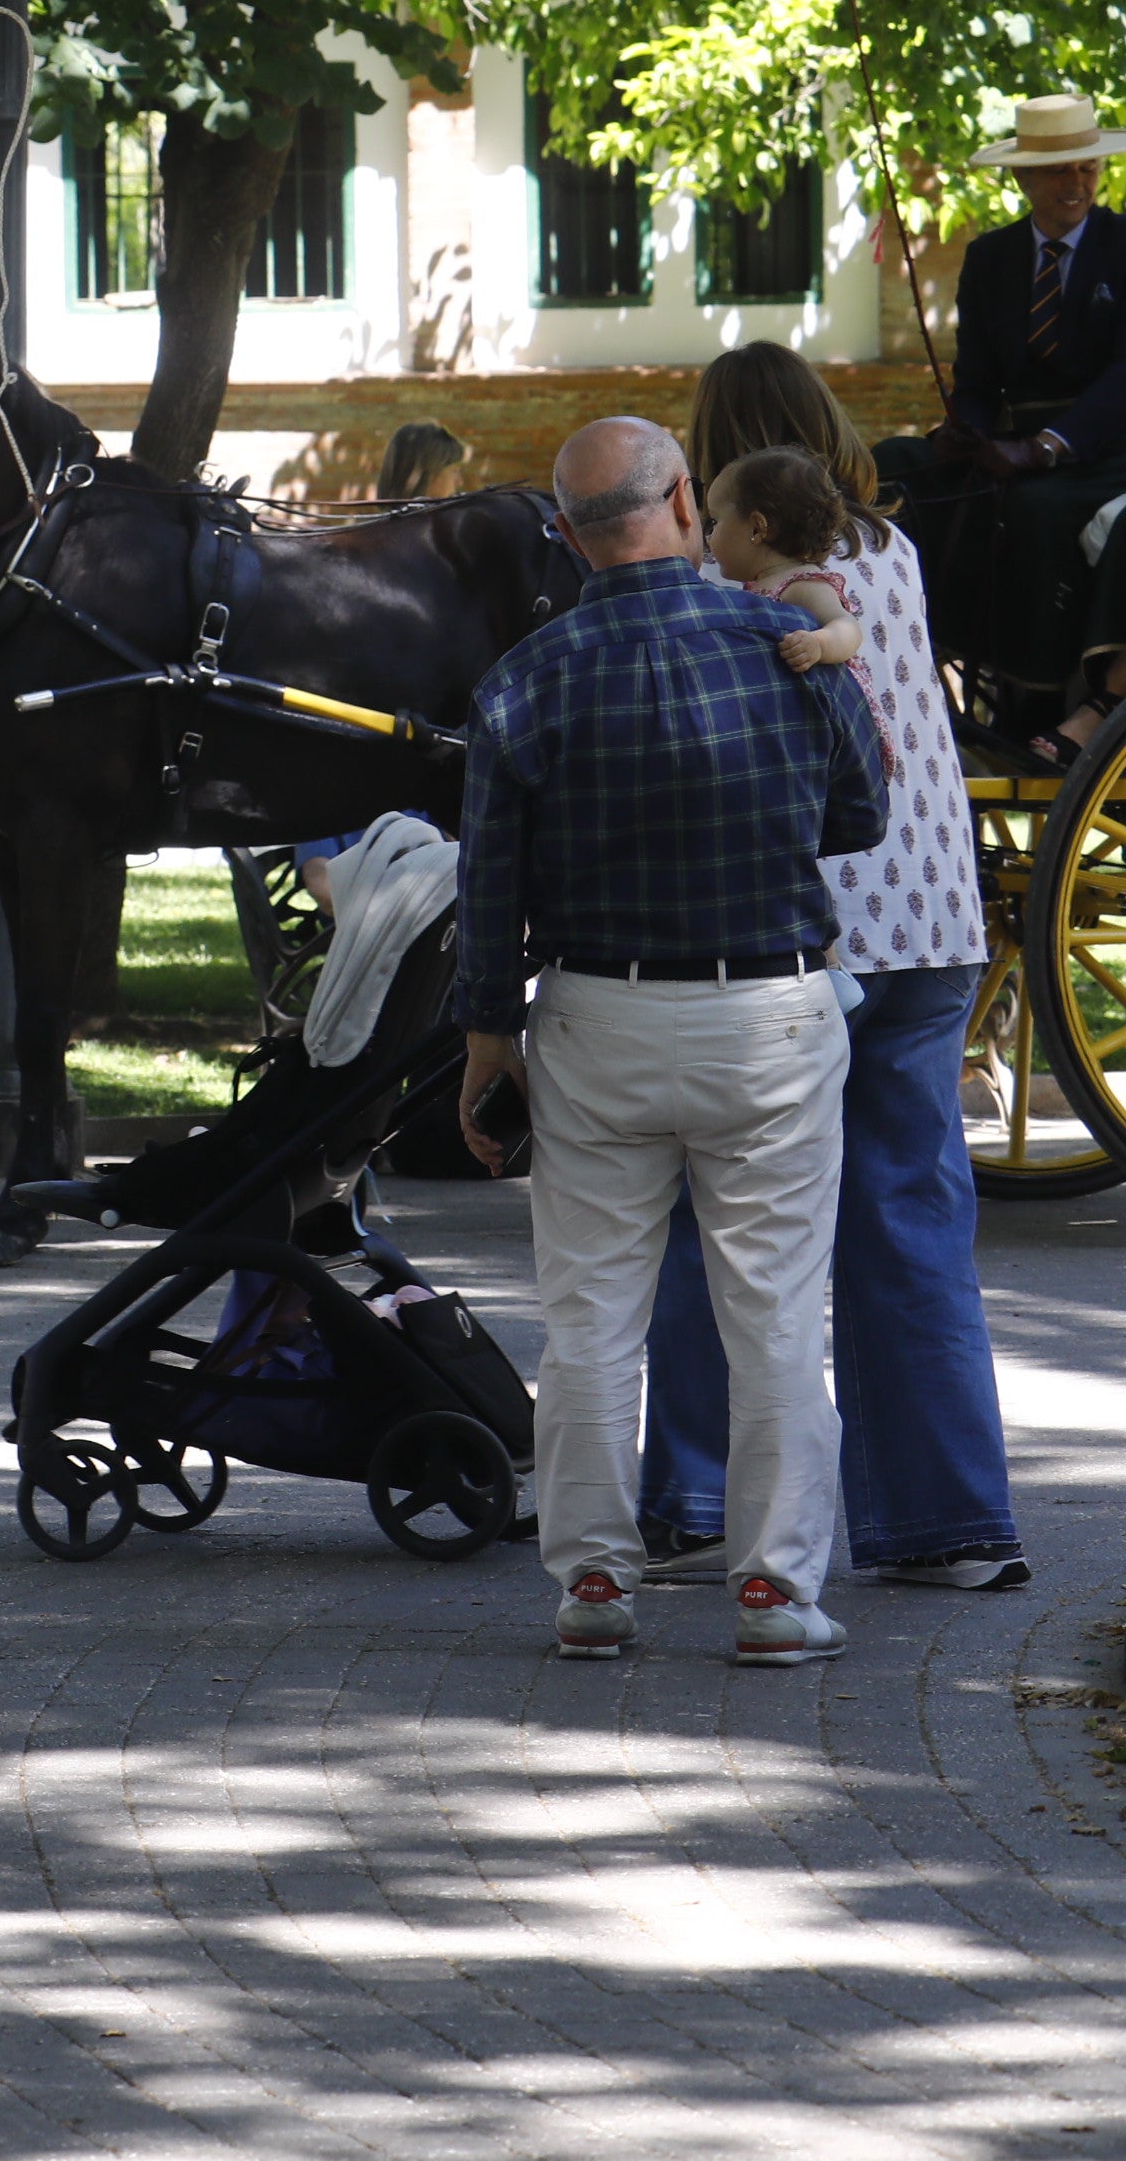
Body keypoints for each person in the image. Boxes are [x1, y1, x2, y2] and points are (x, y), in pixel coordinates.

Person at [455, 413, 884, 1667]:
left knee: (589, 1312)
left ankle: (593, 1580)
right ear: (688, 503)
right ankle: (773, 1593)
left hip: (599, 1012)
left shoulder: (526, 676)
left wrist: (490, 1039)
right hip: (770, 1011)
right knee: (775, 1316)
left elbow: (490, 883)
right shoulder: (785, 644)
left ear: (568, 534)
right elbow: (859, 809)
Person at [636, 345, 1027, 1593]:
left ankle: (698, 1499)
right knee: (908, 1215)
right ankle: (951, 1522)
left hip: (796, 935)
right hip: (933, 927)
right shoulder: (892, 556)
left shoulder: (726, 580)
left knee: (717, 1214)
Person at [873, 91, 1126, 750]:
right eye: (1058, 170)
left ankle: (1034, 697)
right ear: (1023, 177)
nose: (1076, 183)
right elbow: (978, 379)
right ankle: (905, 656)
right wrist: (964, 431)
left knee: (1035, 508)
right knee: (900, 467)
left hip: (1105, 445)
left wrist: (1046, 446)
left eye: (1086, 169)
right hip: (1011, 438)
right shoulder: (990, 259)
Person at [704, 447, 866, 678]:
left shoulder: (801, 584)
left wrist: (819, 644)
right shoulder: (759, 586)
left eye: (714, 521)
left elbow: (848, 628)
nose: (708, 535)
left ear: (757, 528)